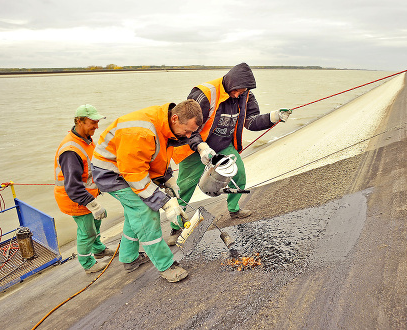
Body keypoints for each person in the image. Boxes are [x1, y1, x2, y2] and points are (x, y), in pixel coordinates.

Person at [169, 63, 292, 245]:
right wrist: (201, 148)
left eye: (243, 91)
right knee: (185, 186)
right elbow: (187, 127)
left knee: (239, 173)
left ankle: (234, 209)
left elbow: (250, 122)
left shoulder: (246, 95)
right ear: (229, 82)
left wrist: (273, 117)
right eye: (236, 90)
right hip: (194, 146)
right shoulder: (205, 93)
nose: (238, 94)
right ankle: (177, 226)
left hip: (222, 144)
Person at [92, 100, 203, 283]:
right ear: (175, 118)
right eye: (187, 130)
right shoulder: (141, 132)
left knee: (133, 213)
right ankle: (166, 265)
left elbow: (155, 155)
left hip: (129, 168)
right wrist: (165, 202)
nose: (189, 136)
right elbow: (135, 176)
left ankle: (129, 259)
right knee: (144, 212)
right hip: (112, 173)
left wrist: (168, 178)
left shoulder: (164, 124)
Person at [54, 104, 117, 274]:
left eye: (97, 122)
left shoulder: (85, 140)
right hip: (75, 198)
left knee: (96, 224)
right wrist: (93, 205)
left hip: (86, 195)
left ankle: (98, 249)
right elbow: (73, 187)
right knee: (86, 231)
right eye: (92, 123)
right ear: (79, 121)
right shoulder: (70, 150)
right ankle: (87, 263)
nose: (97, 126)